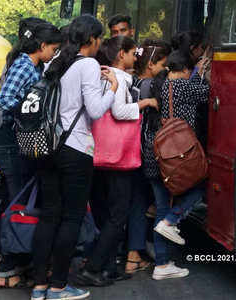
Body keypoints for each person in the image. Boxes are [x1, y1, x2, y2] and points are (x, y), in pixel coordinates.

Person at [30, 14, 117, 300]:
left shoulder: (56, 63)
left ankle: (39, 285)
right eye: (100, 38)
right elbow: (94, 110)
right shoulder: (88, 64)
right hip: (75, 148)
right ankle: (58, 287)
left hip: (48, 148)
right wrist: (113, 89)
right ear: (91, 39)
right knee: (71, 217)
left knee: (49, 216)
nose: (101, 43)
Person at [75, 36, 158, 286]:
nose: (136, 58)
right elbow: (120, 111)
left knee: (103, 211)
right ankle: (94, 266)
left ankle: (108, 267)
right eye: (133, 53)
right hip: (117, 155)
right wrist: (144, 103)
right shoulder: (120, 78)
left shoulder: (100, 73)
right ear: (121, 54)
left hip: (96, 151)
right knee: (119, 214)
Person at [0, 19, 62, 289]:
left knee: (13, 199)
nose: (54, 54)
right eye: (53, 49)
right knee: (18, 205)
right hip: (11, 141)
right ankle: (7, 268)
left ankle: (4, 262)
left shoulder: (28, 63)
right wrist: (30, 108)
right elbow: (6, 101)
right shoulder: (24, 65)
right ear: (42, 46)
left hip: (13, 141)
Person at [142, 50, 209, 280]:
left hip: (155, 153)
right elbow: (207, 92)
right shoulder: (182, 86)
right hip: (176, 155)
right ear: (184, 70)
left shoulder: (158, 84)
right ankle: (173, 219)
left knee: (161, 206)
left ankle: (161, 264)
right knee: (200, 186)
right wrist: (200, 71)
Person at [125, 39, 171, 274]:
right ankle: (137, 254)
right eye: (164, 63)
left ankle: (133, 253)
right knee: (148, 203)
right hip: (145, 152)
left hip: (130, 150)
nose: (167, 68)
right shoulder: (152, 86)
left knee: (138, 202)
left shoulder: (133, 81)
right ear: (152, 63)